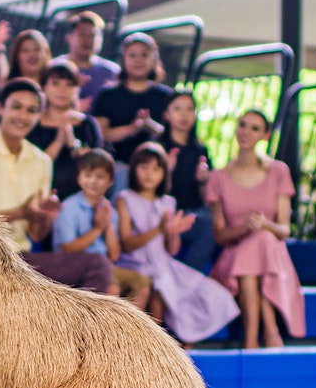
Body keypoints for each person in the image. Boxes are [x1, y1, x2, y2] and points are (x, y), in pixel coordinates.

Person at [0, 78, 112, 294]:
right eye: (16, 107)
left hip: (21, 259)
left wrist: (43, 216)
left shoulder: (41, 161)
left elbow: (36, 235)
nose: (23, 116)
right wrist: (20, 212)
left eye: (31, 110)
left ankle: (72, 329)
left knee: (98, 265)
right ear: (0, 108)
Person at [115, 142, 239, 345]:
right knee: (161, 283)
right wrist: (159, 229)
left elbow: (171, 249)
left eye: (156, 169)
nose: (149, 174)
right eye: (143, 167)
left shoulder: (167, 203)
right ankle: (156, 343)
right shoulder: (124, 199)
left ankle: (180, 341)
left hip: (163, 264)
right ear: (134, 168)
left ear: (164, 173)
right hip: (136, 263)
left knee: (212, 293)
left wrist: (173, 233)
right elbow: (127, 244)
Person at [206, 110, 306, 348]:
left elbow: (283, 230)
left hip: (272, 256)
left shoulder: (279, 171)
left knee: (263, 239)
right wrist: (244, 228)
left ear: (265, 135)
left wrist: (263, 225)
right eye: (242, 125)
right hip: (233, 257)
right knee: (254, 246)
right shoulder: (218, 177)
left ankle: (251, 339)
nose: (246, 132)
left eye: (254, 128)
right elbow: (219, 235)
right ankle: (270, 332)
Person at [53, 148, 150, 310]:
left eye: (100, 177)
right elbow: (67, 249)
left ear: (110, 181)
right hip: (75, 266)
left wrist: (107, 225)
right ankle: (101, 334)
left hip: (106, 266)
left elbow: (114, 255)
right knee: (112, 289)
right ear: (79, 178)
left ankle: (127, 333)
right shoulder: (69, 208)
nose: (93, 181)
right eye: (88, 175)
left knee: (142, 284)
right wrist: (98, 229)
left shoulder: (109, 210)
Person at [92, 32, 172, 191]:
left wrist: (150, 126)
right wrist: (132, 129)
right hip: (117, 165)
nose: (138, 60)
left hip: (154, 169)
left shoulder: (165, 96)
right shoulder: (109, 95)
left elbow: (173, 134)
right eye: (132, 55)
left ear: (154, 59)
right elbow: (101, 133)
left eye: (144, 55)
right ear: (123, 59)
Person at [27, 59, 103, 201]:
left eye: (69, 85)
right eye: (55, 84)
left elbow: (98, 169)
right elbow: (31, 168)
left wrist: (75, 146)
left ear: (77, 89)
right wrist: (59, 140)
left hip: (80, 198)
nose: (62, 90)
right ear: (44, 87)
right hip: (38, 195)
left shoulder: (88, 125)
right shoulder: (32, 124)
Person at [156, 89, 215, 270]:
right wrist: (166, 172)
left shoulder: (200, 150)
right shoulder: (157, 147)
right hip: (164, 213)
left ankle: (189, 275)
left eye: (189, 109)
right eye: (178, 109)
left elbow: (207, 199)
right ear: (167, 114)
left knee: (209, 221)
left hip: (192, 213)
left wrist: (204, 180)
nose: (184, 114)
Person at [56, 10, 120, 112]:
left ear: (101, 40)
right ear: (69, 38)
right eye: (82, 34)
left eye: (93, 35)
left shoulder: (112, 72)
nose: (87, 40)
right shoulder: (55, 67)